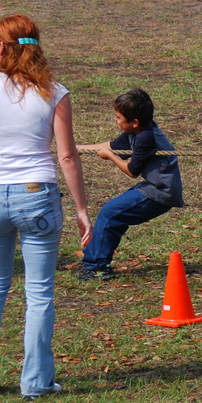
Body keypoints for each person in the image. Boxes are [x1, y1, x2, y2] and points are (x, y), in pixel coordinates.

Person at [0, 14, 91, 400]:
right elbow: (66, 156)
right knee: (39, 293)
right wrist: (83, 209)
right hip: (36, 194)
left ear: (3, 47)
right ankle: (35, 380)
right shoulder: (54, 92)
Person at [79, 89, 184, 281]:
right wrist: (77, 148)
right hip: (152, 186)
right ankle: (94, 261)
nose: (115, 120)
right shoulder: (137, 131)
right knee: (114, 214)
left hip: (161, 192)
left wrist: (110, 157)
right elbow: (111, 145)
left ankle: (97, 267)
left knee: (110, 213)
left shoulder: (146, 137)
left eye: (118, 117)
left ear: (134, 121)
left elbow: (131, 171)